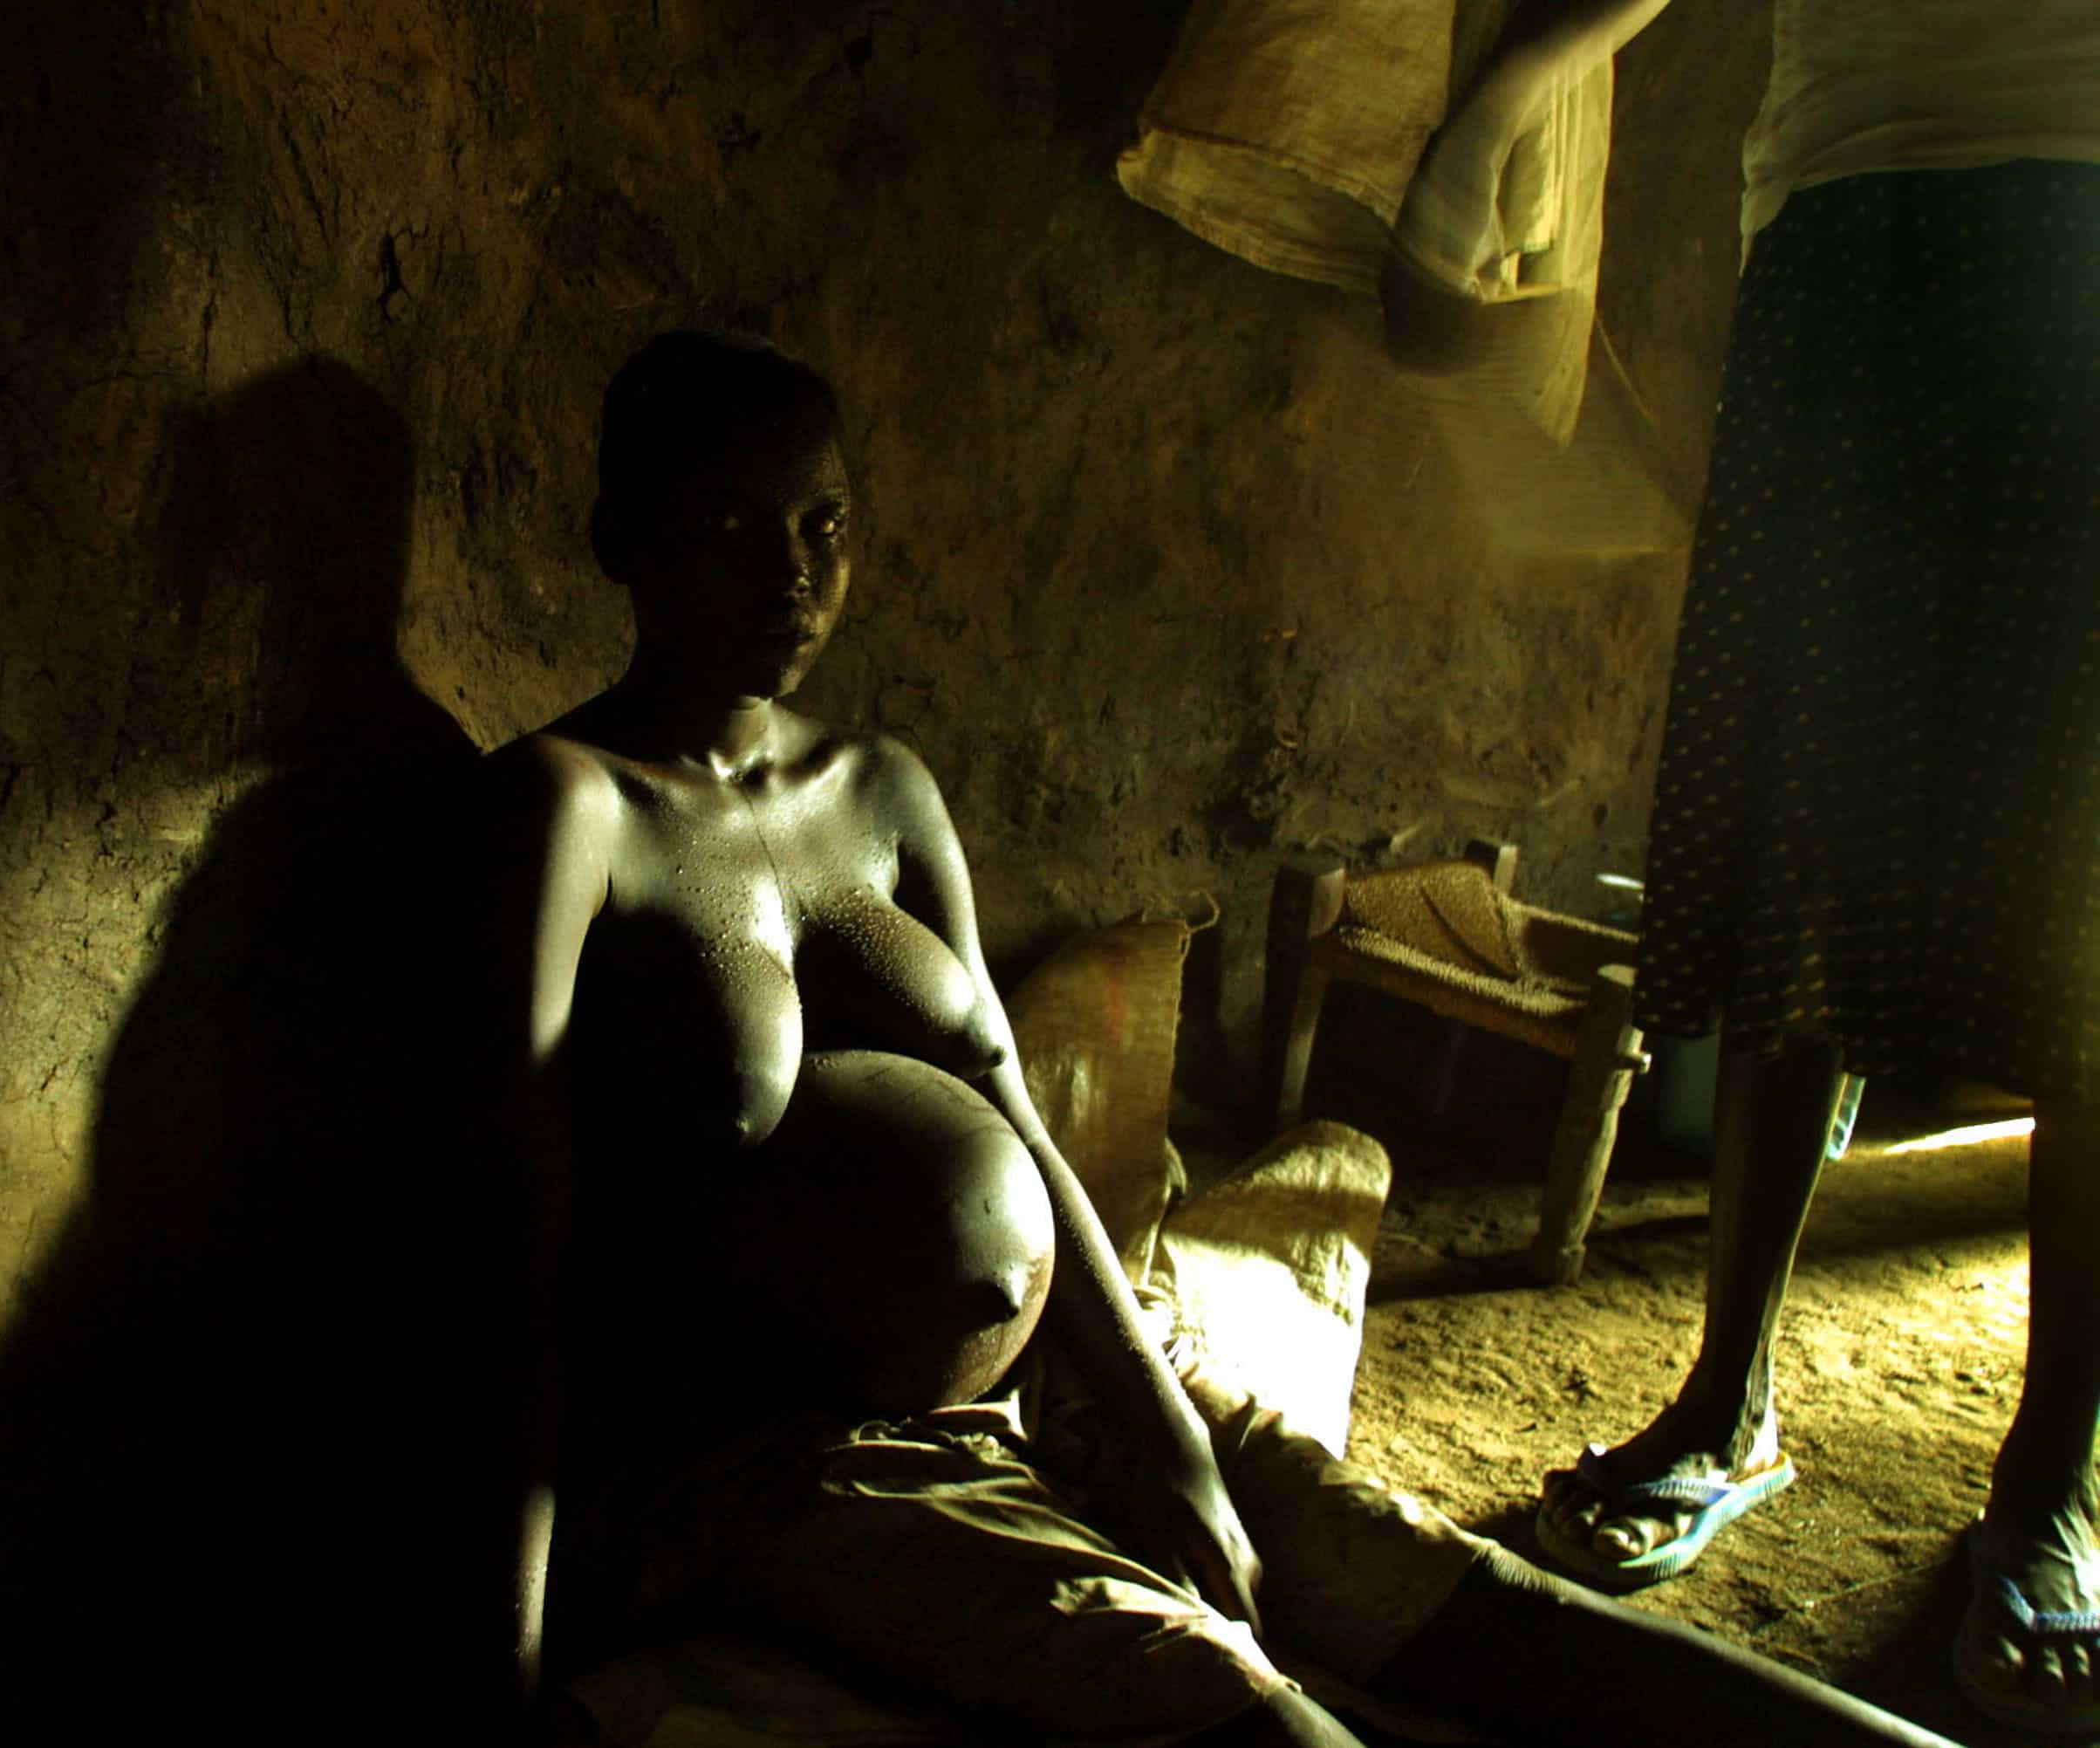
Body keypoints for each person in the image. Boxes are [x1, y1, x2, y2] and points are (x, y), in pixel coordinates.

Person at [478, 327, 1956, 1747]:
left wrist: (1164, 1424)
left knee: (1475, 1607)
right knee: (1255, 1713)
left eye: (826, 523)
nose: (792, 576)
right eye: (731, 526)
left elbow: (1014, 1113)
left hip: (1056, 1378)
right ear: (623, 540)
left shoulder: (878, 789)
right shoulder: (574, 812)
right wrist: (526, 1638)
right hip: (785, 1448)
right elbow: (522, 1238)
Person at [1398, 2, 2100, 1736]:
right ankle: (1729, 1394)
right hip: (1847, 212)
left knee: (2091, 877)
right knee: (1803, 821)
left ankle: (2056, 1478)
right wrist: (1500, 106)